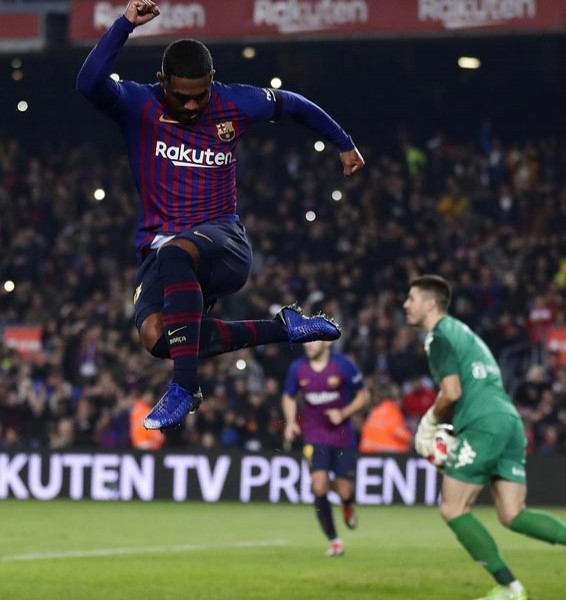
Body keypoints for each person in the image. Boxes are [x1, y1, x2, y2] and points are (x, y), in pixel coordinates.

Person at [75, 0, 364, 431]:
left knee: (177, 254)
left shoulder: (234, 103)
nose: (192, 107)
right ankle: (284, 328)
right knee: (158, 337)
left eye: (200, 96)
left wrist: (344, 143)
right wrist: (123, 26)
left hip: (223, 242)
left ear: (212, 83)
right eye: (181, 97)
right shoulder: (138, 105)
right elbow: (88, 83)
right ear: (162, 82)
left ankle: (184, 389)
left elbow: (294, 104)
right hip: (162, 254)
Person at [403, 275, 566, 600]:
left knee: (453, 509)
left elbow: (452, 391)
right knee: (512, 513)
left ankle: (510, 588)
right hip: (509, 420)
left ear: (430, 303)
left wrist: (428, 423)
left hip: (483, 423)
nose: (406, 304)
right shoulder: (465, 332)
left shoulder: (439, 337)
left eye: (412, 298)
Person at [282, 339, 370, 557]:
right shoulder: (297, 368)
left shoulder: (343, 365)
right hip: (314, 436)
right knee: (318, 486)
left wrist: (344, 413)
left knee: (344, 490)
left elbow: (364, 395)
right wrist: (291, 421)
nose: (308, 345)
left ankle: (347, 505)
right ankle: (334, 541)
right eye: (306, 341)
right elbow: (288, 396)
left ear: (327, 343)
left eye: (314, 340)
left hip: (342, 437)